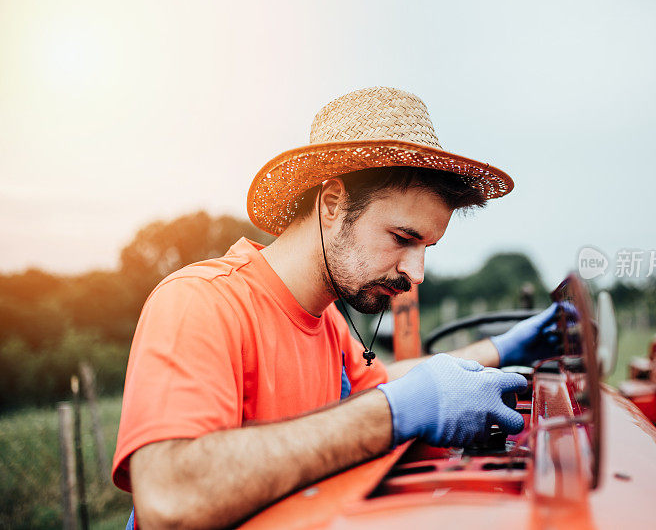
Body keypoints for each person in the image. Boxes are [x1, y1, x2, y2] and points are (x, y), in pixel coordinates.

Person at [112, 86, 564, 528]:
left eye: (427, 246)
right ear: (332, 203)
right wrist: (398, 411)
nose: (417, 273)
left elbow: (396, 389)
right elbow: (169, 500)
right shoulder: (202, 301)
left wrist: (507, 348)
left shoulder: (328, 321)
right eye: (402, 238)